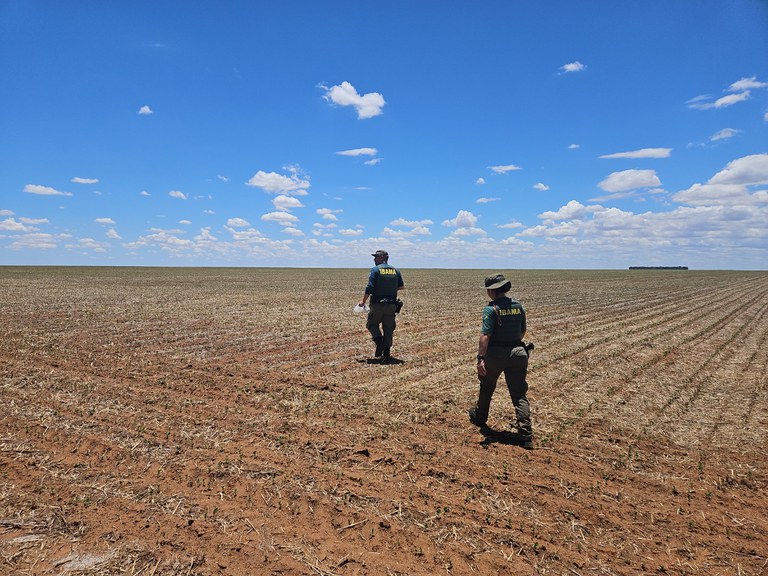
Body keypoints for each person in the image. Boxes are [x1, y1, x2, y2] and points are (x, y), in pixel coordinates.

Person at [469, 273, 534, 449]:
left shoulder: (491, 309)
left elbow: (485, 335)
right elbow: (522, 332)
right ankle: (526, 434)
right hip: (518, 352)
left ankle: (480, 417)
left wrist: (481, 357)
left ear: (491, 291)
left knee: (487, 386)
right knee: (519, 394)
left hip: (496, 354)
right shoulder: (518, 306)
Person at [358, 250, 404, 360]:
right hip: (392, 305)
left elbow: (370, 287)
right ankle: (386, 352)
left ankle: (379, 342)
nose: (374, 259)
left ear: (383, 257)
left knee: (372, 324)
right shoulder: (396, 270)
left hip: (378, 304)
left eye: (376, 257)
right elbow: (401, 287)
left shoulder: (375, 270)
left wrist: (363, 301)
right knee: (388, 327)